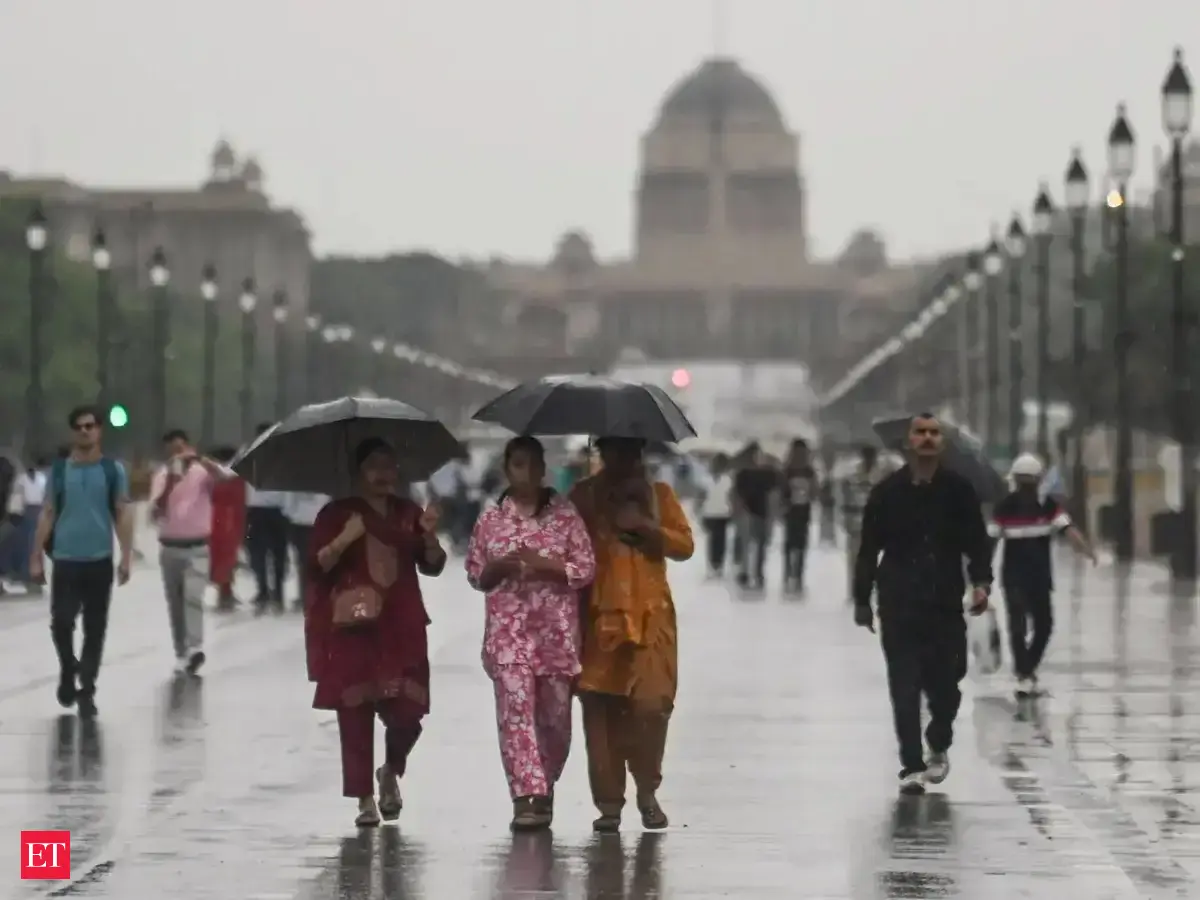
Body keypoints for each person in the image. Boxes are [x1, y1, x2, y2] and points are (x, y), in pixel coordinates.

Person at [305, 437, 446, 827]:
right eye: (374, 466)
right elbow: (316, 566)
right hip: (355, 629)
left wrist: (429, 534)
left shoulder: (408, 512)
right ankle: (365, 799)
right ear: (358, 472)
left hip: (403, 626)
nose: (383, 474)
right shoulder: (336, 514)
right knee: (355, 713)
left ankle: (390, 771)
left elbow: (433, 564)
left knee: (408, 714)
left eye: (389, 465)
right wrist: (345, 538)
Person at [852, 413, 992, 795]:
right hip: (898, 601)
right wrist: (862, 599)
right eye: (920, 433)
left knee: (948, 681)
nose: (927, 438)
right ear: (908, 442)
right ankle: (912, 764)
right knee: (904, 684)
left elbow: (977, 542)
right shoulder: (886, 493)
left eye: (934, 433)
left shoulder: (959, 491)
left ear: (941, 443)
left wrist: (981, 583)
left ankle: (939, 739)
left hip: (944, 600)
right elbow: (868, 549)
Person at [465, 436, 595, 830]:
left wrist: (547, 565)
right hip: (508, 637)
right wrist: (499, 567)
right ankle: (525, 796)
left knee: (555, 721)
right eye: (517, 464)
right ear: (507, 469)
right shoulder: (490, 520)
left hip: (555, 637)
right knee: (515, 714)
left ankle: (545, 784)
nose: (526, 472)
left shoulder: (566, 518)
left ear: (543, 469)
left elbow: (585, 569)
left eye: (533, 464)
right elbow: (476, 574)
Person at [569, 436, 693, 832]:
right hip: (597, 620)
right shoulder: (583, 497)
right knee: (600, 712)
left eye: (631, 452)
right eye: (614, 451)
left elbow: (685, 545)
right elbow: (564, 549)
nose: (624, 460)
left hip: (652, 620)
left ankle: (647, 789)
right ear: (603, 453)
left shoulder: (659, 495)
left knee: (651, 706)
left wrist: (647, 529)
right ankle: (608, 803)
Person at [30, 405, 133, 719]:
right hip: (66, 559)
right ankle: (68, 667)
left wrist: (126, 555)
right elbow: (48, 512)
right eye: (79, 427)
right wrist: (36, 556)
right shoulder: (60, 471)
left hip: (99, 559)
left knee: (95, 627)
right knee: (61, 621)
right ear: (73, 432)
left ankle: (87, 688)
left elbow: (121, 512)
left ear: (99, 430)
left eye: (90, 426)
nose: (85, 431)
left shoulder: (112, 471)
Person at [991, 453, 1096, 699]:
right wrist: (1086, 550)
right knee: (1026, 626)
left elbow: (1067, 528)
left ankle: (1025, 671)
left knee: (1038, 626)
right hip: (1019, 577)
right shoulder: (1008, 506)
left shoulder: (1046, 506)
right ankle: (1025, 674)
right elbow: (991, 539)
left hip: (1033, 577)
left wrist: (1086, 549)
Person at [149, 429, 234, 675]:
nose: (177, 454)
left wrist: (202, 461)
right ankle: (181, 652)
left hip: (197, 547)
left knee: (193, 597)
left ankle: (195, 647)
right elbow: (156, 510)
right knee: (175, 603)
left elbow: (226, 477)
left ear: (188, 447)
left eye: (180, 448)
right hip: (170, 548)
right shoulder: (162, 475)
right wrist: (171, 480)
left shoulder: (202, 472)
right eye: (171, 450)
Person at [245, 423, 289, 612]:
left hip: (275, 511)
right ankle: (266, 592)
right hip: (259, 511)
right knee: (259, 555)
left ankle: (274, 594)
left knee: (274, 555)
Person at [732, 443, 777, 589]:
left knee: (758, 544)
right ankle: (747, 571)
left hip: (760, 512)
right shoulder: (743, 473)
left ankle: (756, 572)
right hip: (749, 512)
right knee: (748, 543)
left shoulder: (767, 473)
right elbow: (737, 494)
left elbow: (773, 493)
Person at [841, 444, 883, 601]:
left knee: (871, 559)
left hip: (873, 522)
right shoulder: (852, 476)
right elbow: (845, 500)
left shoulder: (880, 477)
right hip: (855, 521)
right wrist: (845, 520)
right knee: (854, 559)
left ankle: (868, 589)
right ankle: (854, 590)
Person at [208, 446, 246, 611]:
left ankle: (225, 593)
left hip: (217, 519)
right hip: (230, 519)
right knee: (226, 558)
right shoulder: (236, 478)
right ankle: (225, 593)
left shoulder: (215, 476)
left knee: (221, 558)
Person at [780, 439, 817, 591]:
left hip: (804, 510)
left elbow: (814, 491)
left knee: (801, 544)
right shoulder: (787, 470)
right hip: (791, 511)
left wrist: (811, 492)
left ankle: (798, 576)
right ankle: (788, 574)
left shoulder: (809, 471)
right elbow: (782, 490)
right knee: (790, 544)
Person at [284, 490, 330, 611]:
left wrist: (291, 515)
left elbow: (289, 503)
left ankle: (307, 597)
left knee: (304, 563)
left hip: (300, 521)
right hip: (317, 522)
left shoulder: (297, 482)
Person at [13, 456, 49, 593]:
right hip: (27, 511)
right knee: (27, 545)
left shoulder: (42, 478)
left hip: (40, 509)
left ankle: (39, 576)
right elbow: (17, 497)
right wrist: (17, 512)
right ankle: (27, 576)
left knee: (39, 544)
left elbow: (46, 495)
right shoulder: (21, 479)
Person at [698, 453, 734, 577]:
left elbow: (731, 497)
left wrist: (732, 510)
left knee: (721, 540)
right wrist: (699, 510)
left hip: (723, 513)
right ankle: (712, 564)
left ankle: (719, 564)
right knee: (711, 540)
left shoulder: (728, 480)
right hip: (709, 512)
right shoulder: (706, 480)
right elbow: (701, 496)